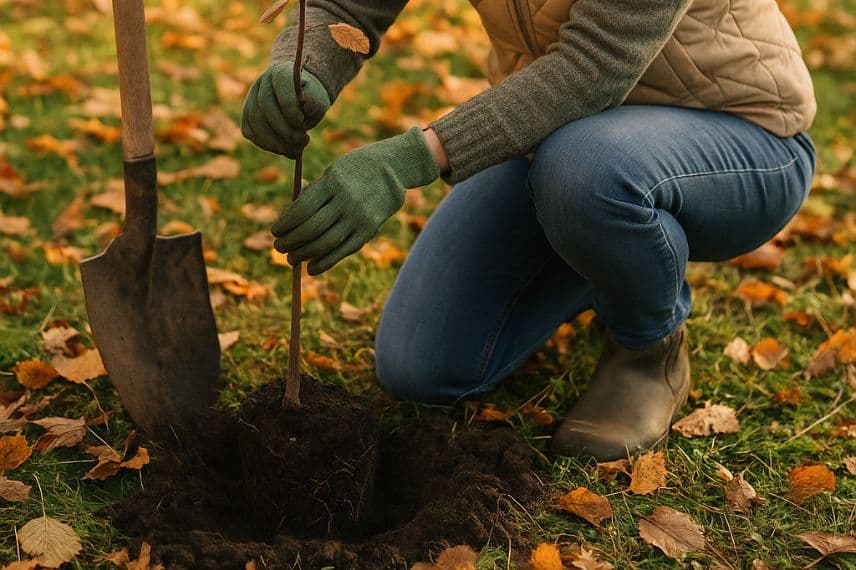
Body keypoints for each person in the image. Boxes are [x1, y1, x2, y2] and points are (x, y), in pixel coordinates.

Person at [241, 0, 816, 461]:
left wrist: (411, 159)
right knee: (422, 366)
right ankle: (603, 252)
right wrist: (304, 65)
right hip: (553, 137)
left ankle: (648, 345)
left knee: (588, 173)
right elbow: (350, 4)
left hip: (737, 134)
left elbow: (596, 64)